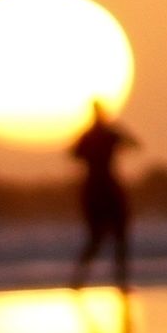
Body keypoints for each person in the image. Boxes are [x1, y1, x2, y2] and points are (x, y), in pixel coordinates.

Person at [69, 102, 136, 292]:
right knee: (104, 238)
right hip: (101, 188)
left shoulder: (96, 135)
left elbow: (74, 155)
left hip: (98, 189)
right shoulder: (105, 134)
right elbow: (133, 144)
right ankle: (83, 281)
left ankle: (113, 281)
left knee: (110, 238)